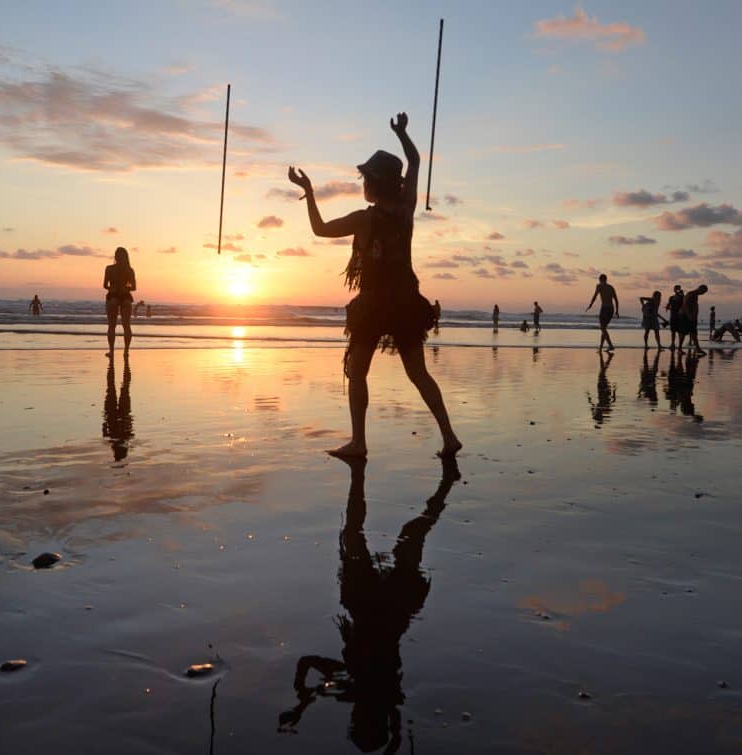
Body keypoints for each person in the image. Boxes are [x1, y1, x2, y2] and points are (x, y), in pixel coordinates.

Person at [287, 112, 461, 458]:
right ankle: (448, 436)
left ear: (373, 184)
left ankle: (359, 442)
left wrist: (308, 191)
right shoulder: (405, 209)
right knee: (418, 374)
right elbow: (414, 160)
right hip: (407, 301)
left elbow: (319, 229)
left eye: (365, 178)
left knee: (357, 371)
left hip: (375, 305)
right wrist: (402, 133)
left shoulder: (362, 220)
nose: (362, 183)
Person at [278, 456, 459, 750]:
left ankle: (442, 487)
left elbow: (307, 663)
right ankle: (441, 486)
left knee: (402, 535)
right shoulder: (356, 690)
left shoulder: (372, 693)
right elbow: (306, 663)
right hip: (382, 604)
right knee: (375, 534)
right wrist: (301, 695)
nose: (355, 717)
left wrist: (303, 701)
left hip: (383, 605)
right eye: (357, 722)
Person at [103, 246, 136, 359]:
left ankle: (111, 351)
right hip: (126, 297)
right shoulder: (130, 270)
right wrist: (125, 287)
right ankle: (126, 351)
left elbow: (104, 285)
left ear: (116, 257)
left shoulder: (109, 269)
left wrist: (113, 287)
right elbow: (134, 287)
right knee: (126, 326)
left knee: (112, 326)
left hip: (113, 296)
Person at [586, 273, 619, 352]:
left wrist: (590, 304)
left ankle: (611, 345)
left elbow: (595, 296)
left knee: (603, 328)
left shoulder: (599, 286)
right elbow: (616, 300)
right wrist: (617, 311)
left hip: (605, 309)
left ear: (600, 280)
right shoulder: (611, 287)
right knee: (603, 329)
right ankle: (601, 347)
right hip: (611, 309)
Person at [680, 284, 708, 355]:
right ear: (699, 288)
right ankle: (680, 349)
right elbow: (685, 305)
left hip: (691, 317)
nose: (703, 293)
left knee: (694, 333)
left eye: (704, 292)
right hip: (686, 317)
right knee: (684, 333)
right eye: (703, 291)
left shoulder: (695, 296)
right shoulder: (690, 294)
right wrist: (689, 315)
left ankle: (697, 349)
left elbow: (694, 307)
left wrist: (694, 316)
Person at [665, 285, 683, 350]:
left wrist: (682, 295)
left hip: (680, 317)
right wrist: (667, 308)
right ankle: (672, 344)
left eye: (678, 289)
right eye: (676, 289)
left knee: (680, 332)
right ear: (674, 290)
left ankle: (680, 346)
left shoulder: (682, 297)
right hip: (673, 316)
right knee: (673, 331)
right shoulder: (671, 297)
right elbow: (669, 305)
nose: (677, 290)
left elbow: (684, 306)